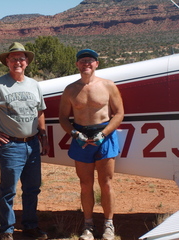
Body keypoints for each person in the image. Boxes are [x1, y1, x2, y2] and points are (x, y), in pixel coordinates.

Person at [0, 42, 49, 240]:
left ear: (27, 62)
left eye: (21, 58)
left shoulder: (34, 85)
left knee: (32, 189)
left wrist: (44, 137)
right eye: (13, 58)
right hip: (11, 146)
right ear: (7, 61)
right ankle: (7, 229)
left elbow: (40, 112)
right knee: (8, 191)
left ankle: (30, 226)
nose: (18, 62)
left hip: (32, 143)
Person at [59, 49, 124, 240]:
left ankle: (108, 225)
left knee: (106, 183)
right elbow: (63, 117)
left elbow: (119, 113)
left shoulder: (108, 86)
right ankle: (88, 226)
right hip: (81, 137)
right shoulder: (70, 89)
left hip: (104, 136)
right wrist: (74, 133)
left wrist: (103, 134)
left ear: (96, 64)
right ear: (77, 65)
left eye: (90, 60)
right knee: (85, 184)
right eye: (82, 61)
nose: (86, 63)